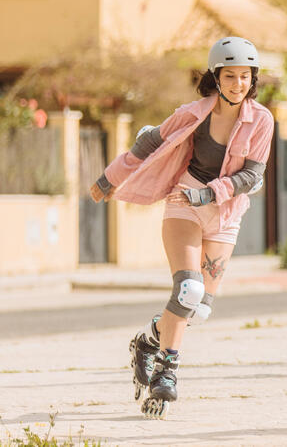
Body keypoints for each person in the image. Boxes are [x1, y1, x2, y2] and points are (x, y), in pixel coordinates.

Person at [89, 36, 274, 418]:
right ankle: (166, 370)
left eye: (245, 76)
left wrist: (213, 194)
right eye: (230, 76)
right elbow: (148, 143)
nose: (238, 84)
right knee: (188, 290)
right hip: (184, 202)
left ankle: (148, 339)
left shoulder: (262, 120)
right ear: (216, 77)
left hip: (224, 213)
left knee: (201, 309)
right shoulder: (192, 113)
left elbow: (252, 174)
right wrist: (109, 179)